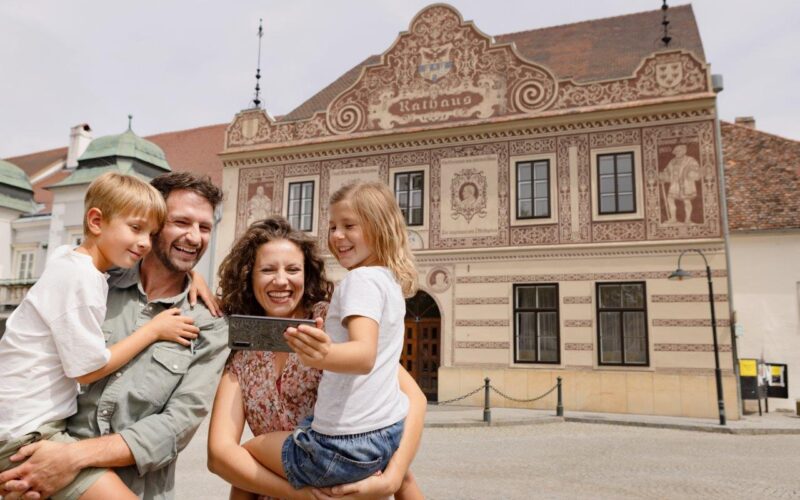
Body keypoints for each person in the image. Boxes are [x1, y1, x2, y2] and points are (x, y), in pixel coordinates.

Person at [0, 172, 229, 500]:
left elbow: (176, 425)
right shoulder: (93, 280)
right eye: (181, 222)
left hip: (129, 486)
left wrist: (71, 458)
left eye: (205, 228)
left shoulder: (209, 322)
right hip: (34, 462)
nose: (194, 237)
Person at [207, 216, 425, 499]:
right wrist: (301, 494)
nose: (281, 280)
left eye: (293, 269)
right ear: (249, 276)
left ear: (306, 274)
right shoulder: (244, 352)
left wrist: (393, 477)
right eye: (267, 269)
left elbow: (414, 398)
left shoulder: (334, 322)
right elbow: (220, 455)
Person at [660, 144, 701, 224]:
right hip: (675, 184)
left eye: (679, 151)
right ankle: (673, 218)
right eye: (676, 151)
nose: (677, 153)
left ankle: (688, 219)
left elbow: (696, 169)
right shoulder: (673, 161)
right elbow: (667, 170)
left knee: (686, 201)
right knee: (670, 199)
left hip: (686, 184)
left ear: (683, 151)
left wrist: (689, 172)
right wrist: (663, 176)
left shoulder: (690, 160)